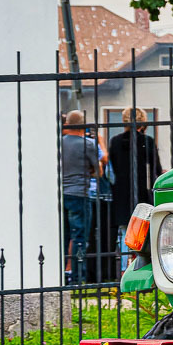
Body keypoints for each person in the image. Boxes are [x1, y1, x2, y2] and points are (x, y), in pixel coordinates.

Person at [108, 108, 163, 270]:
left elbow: (112, 168)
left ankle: (124, 267)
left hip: (121, 190)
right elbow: (156, 169)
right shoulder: (147, 141)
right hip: (141, 190)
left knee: (125, 230)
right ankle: (141, 265)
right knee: (143, 229)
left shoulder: (115, 141)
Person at [60, 110, 101, 286]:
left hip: (61, 194)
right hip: (79, 194)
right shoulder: (88, 144)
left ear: (67, 124)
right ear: (83, 125)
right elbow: (98, 171)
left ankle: (60, 274)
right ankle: (78, 276)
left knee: (63, 236)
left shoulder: (59, 143)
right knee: (80, 237)